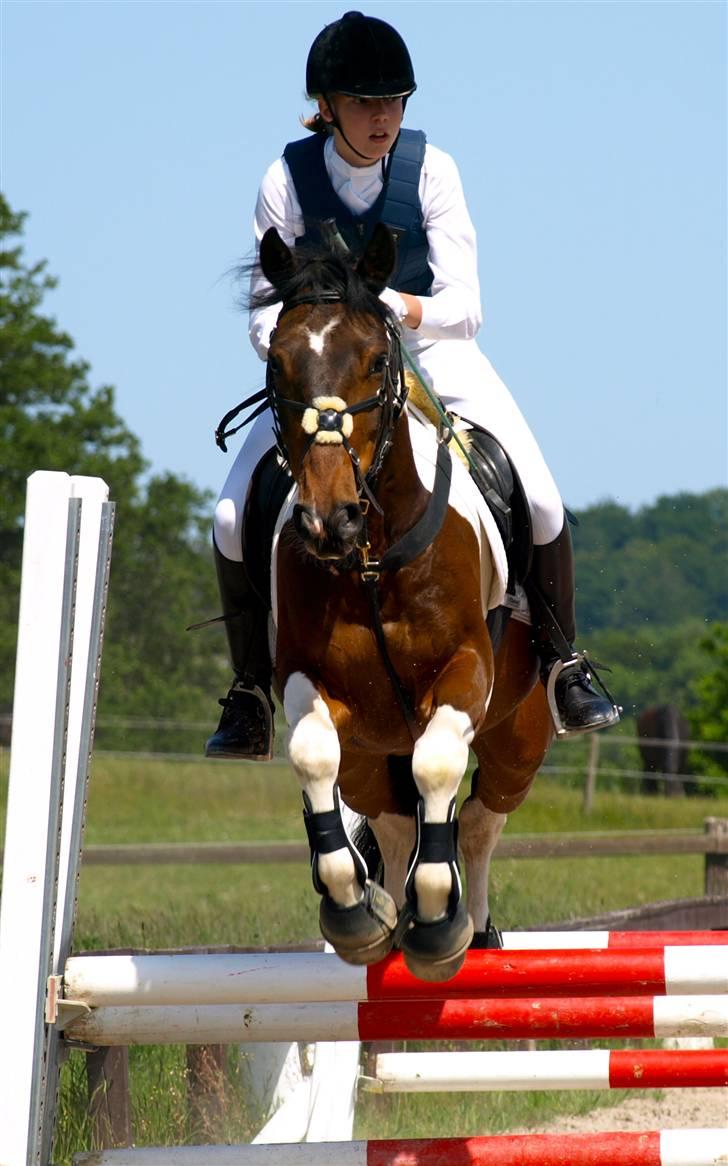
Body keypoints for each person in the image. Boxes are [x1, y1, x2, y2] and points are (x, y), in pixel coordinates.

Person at [205, 10, 620, 760]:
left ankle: (564, 663)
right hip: (324, 377)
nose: (384, 118)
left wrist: (392, 308)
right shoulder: (283, 179)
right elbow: (264, 319)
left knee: (544, 499)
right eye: (367, 103)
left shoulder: (433, 170)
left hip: (434, 356)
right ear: (327, 106)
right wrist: (312, 350)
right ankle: (246, 691)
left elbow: (468, 308)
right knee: (233, 514)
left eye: (396, 101)